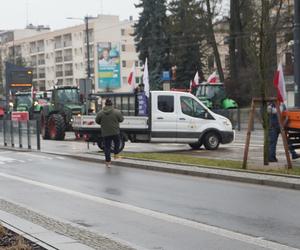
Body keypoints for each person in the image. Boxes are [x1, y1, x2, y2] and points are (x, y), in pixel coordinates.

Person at [95, 99, 124, 167]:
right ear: (112, 104)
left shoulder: (100, 113)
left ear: (105, 104)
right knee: (117, 143)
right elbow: (121, 119)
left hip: (105, 132)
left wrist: (102, 123)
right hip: (115, 132)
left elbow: (97, 121)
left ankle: (108, 162)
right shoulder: (116, 112)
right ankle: (116, 155)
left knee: (107, 147)